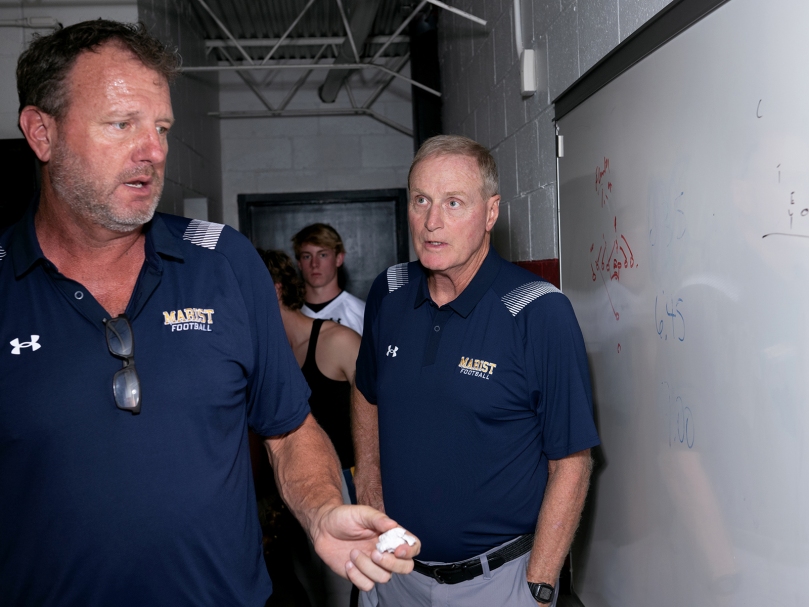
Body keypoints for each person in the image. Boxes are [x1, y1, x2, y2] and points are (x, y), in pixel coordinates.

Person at [0, 20, 418, 606]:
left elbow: (290, 430)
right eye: (122, 125)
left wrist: (322, 510)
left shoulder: (225, 263)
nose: (152, 151)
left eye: (162, 128)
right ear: (41, 133)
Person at [352, 135, 600, 607]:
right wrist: (368, 483)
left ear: (490, 213)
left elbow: (572, 461)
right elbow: (366, 392)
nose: (431, 222)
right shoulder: (390, 292)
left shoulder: (539, 312)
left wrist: (539, 589)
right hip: (394, 574)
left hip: (497, 584)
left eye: (453, 203)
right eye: (421, 200)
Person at [260, 248, 361, 607]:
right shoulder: (268, 352)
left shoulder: (338, 340)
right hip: (292, 487)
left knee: (340, 591)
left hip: (344, 485)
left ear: (271, 290)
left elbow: (386, 413)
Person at [293, 223, 365, 335]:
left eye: (323, 255)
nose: (314, 264)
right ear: (299, 263)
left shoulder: (362, 314)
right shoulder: (288, 315)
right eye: (307, 256)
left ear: (339, 259)